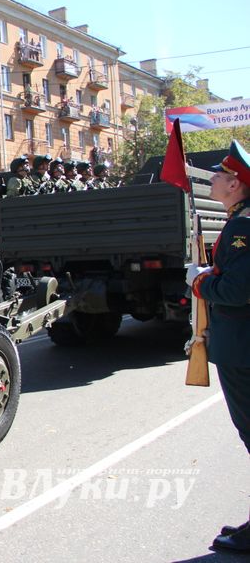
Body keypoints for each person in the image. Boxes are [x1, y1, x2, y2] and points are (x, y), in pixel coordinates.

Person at [187, 140, 250, 553]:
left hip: (243, 349)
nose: (212, 178)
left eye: (219, 175)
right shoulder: (240, 220)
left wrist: (199, 280)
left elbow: (239, 288)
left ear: (237, 183)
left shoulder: (244, 227)